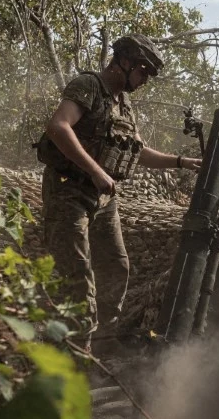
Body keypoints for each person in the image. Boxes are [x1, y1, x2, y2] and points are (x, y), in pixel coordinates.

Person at [35, 34, 201, 348]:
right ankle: (71, 357)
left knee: (115, 266)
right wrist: (95, 171)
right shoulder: (89, 86)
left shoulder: (124, 104)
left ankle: (101, 345)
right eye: (142, 72)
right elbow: (58, 127)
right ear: (124, 62)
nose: (144, 81)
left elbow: (138, 152)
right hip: (68, 191)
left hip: (103, 197)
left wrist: (180, 161)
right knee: (76, 276)